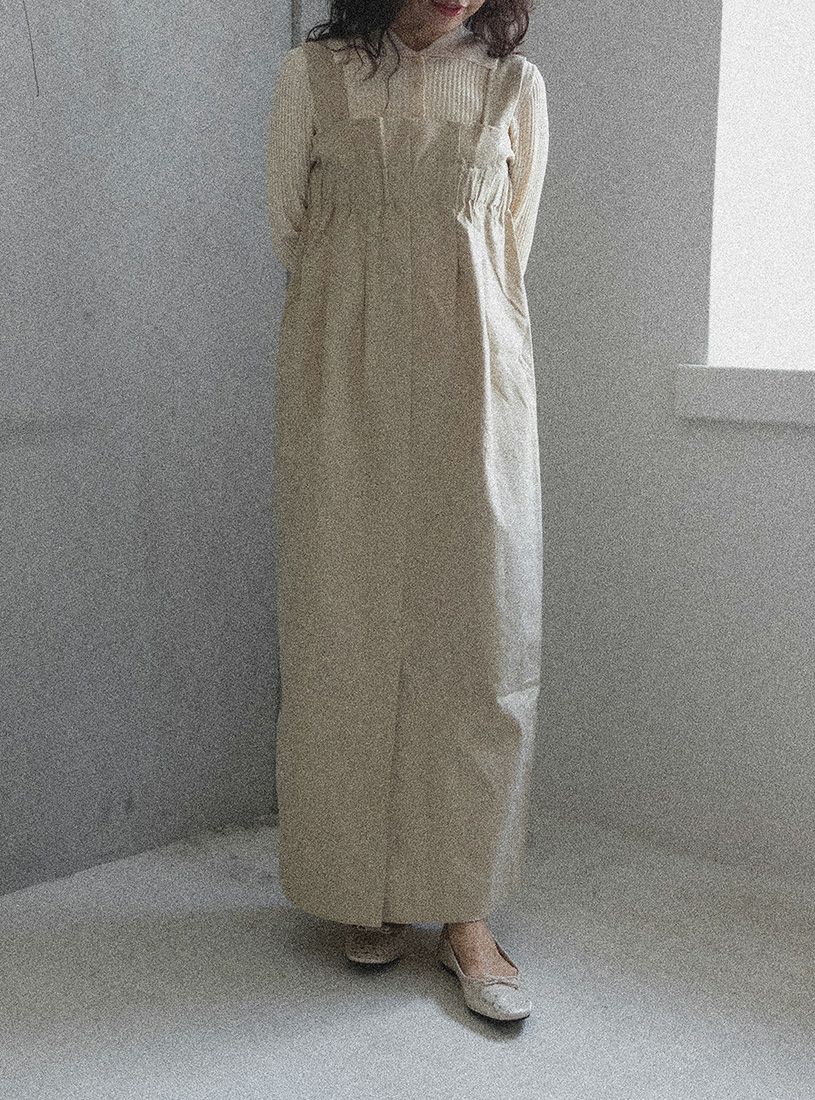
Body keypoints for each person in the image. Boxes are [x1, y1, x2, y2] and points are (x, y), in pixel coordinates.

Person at [265, 0, 549, 1023]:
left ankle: (464, 910)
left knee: (477, 627)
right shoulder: (314, 78)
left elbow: (510, 244)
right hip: (341, 368)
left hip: (475, 376)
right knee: (342, 618)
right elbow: (289, 226)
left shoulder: (512, 87)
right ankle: (365, 885)